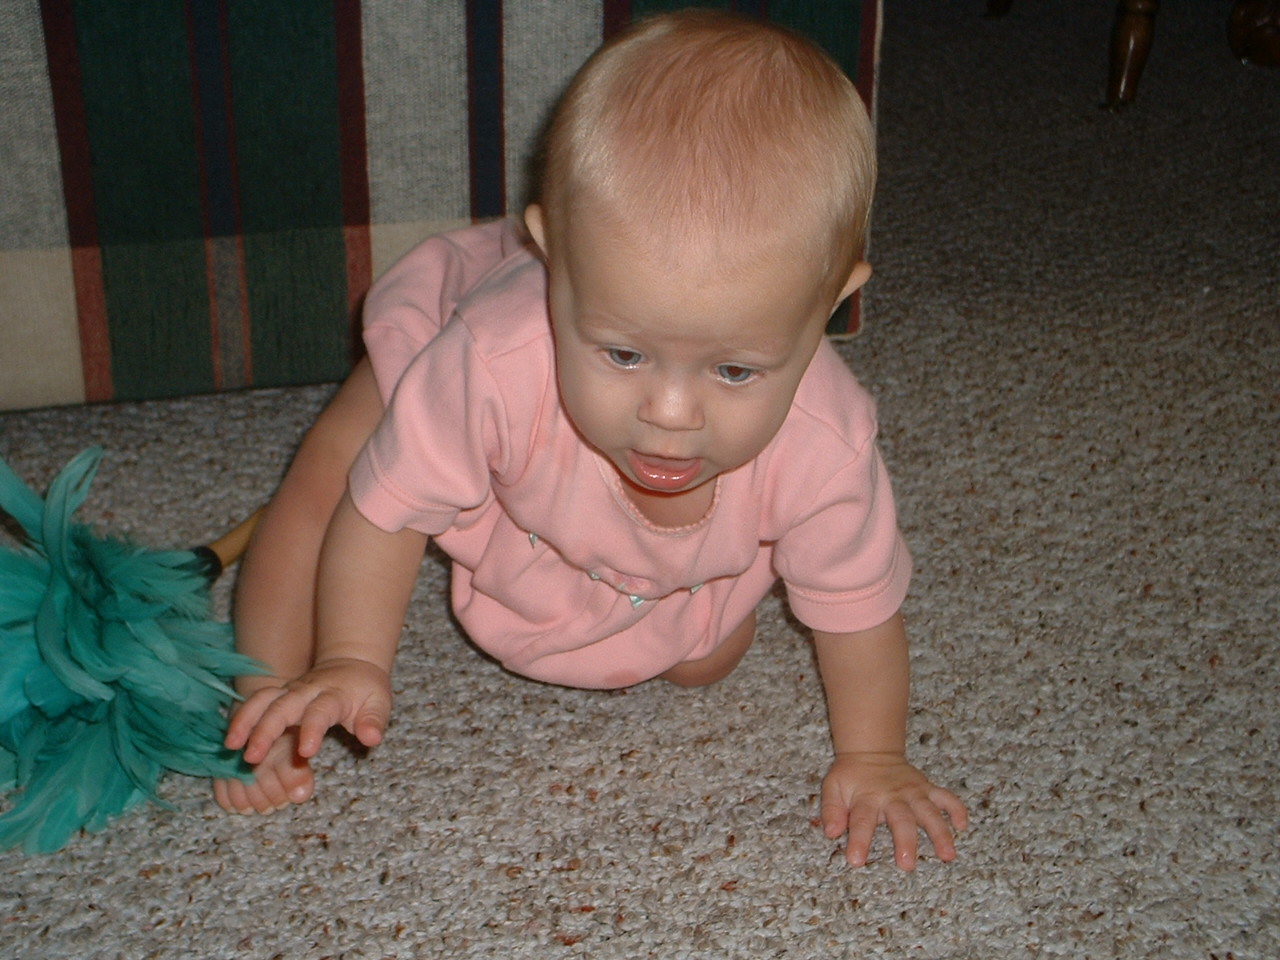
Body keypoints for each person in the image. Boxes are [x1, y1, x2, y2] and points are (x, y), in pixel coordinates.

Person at [216, 9, 967, 871]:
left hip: (640, 549)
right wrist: (350, 657)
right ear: (551, 261)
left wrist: (874, 756)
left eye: (734, 370)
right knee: (336, 476)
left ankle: (657, 579)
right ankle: (264, 695)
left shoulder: (826, 444)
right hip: (487, 391)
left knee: (700, 662)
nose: (670, 415)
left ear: (831, 302)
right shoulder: (488, 358)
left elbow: (859, 611)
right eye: (623, 354)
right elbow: (381, 520)